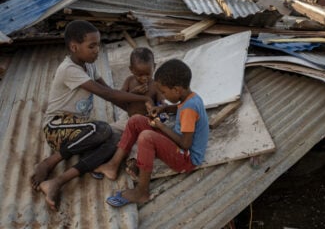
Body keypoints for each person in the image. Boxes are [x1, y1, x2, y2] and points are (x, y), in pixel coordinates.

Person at [30, 20, 154, 211]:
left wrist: (136, 114)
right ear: (74, 47)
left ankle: (58, 181)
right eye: (92, 46)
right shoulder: (69, 69)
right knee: (103, 129)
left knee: (117, 139)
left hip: (80, 130)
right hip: (56, 127)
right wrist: (142, 97)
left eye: (98, 44)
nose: (97, 50)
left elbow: (111, 93)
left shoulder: (89, 66)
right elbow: (107, 94)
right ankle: (49, 162)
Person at [94, 58, 209, 207]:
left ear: (176, 90)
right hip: (179, 147)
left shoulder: (189, 109)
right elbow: (179, 107)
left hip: (187, 159)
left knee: (146, 137)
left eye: (164, 92)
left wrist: (161, 126)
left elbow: (185, 144)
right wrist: (164, 108)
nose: (163, 95)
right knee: (136, 119)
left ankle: (142, 191)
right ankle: (113, 165)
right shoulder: (190, 97)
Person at [120, 47, 166, 117]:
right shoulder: (129, 81)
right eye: (139, 75)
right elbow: (121, 98)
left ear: (154, 66)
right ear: (131, 69)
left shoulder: (155, 85)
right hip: (129, 119)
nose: (144, 78)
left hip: (148, 120)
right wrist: (134, 92)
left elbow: (162, 103)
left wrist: (159, 107)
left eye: (148, 74)